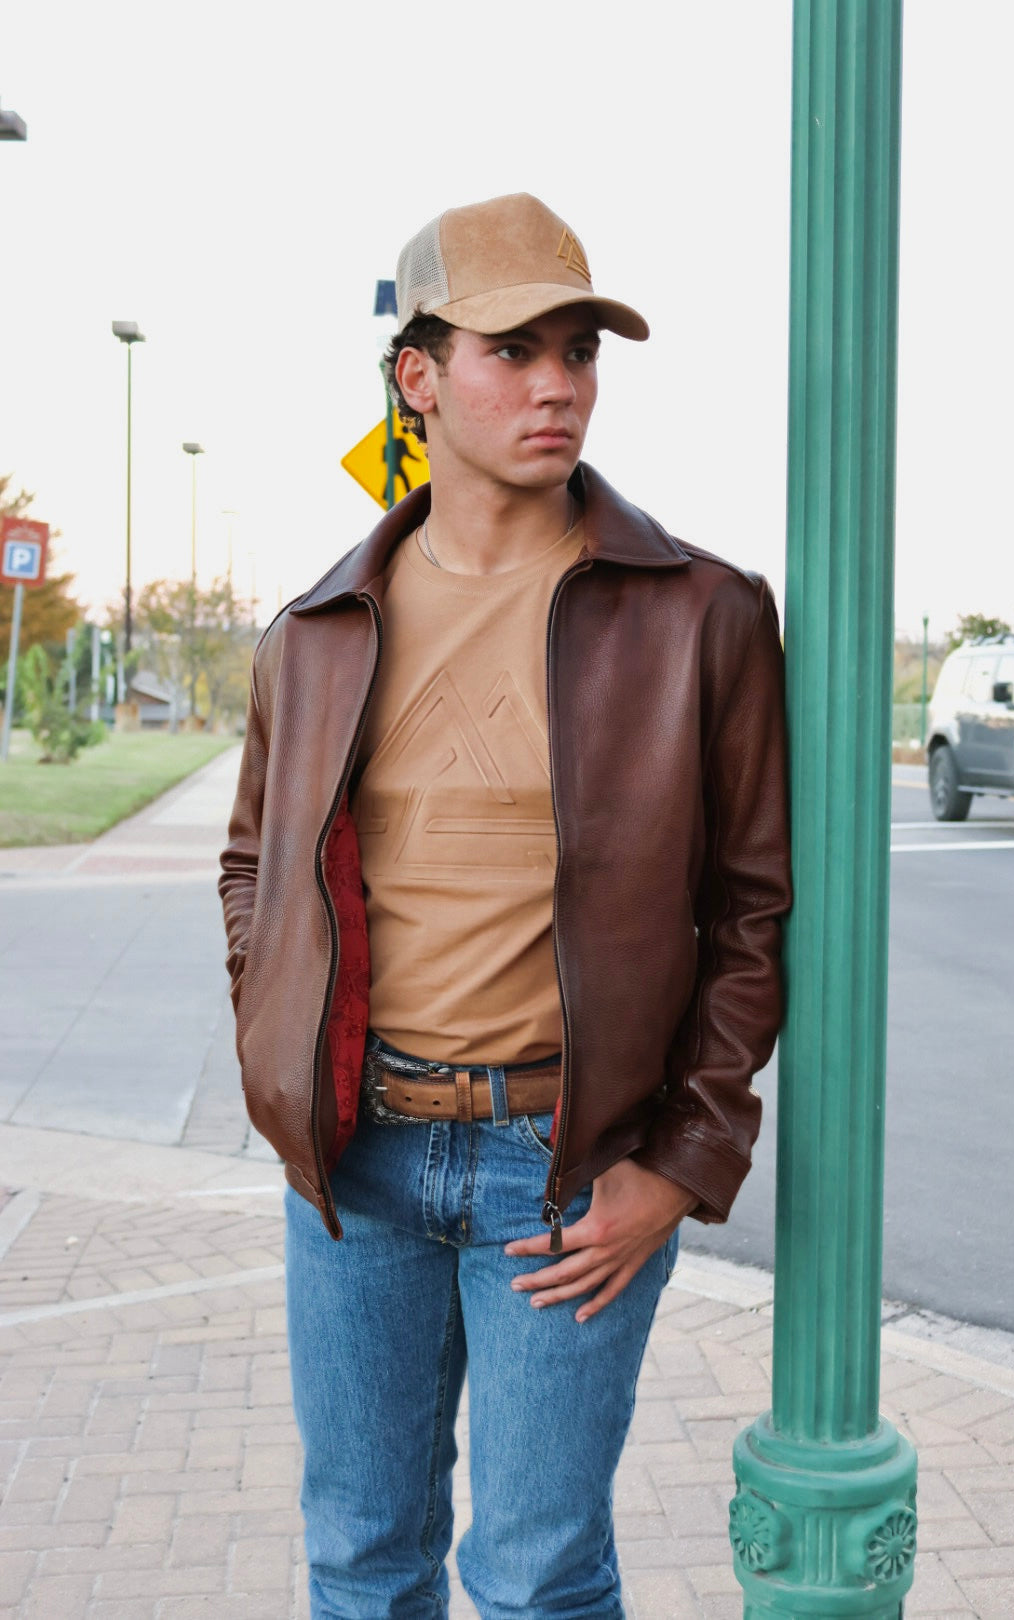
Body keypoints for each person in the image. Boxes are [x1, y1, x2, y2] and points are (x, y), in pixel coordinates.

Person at [219, 191, 791, 1620]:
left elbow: (751, 911)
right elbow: (255, 867)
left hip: (566, 1170)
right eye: (514, 348)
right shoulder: (316, 629)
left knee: (535, 1578)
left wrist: (680, 1162)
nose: (559, 385)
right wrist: (276, 1045)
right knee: (361, 1555)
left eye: (581, 350)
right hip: (354, 1165)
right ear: (418, 375)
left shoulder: (698, 613)